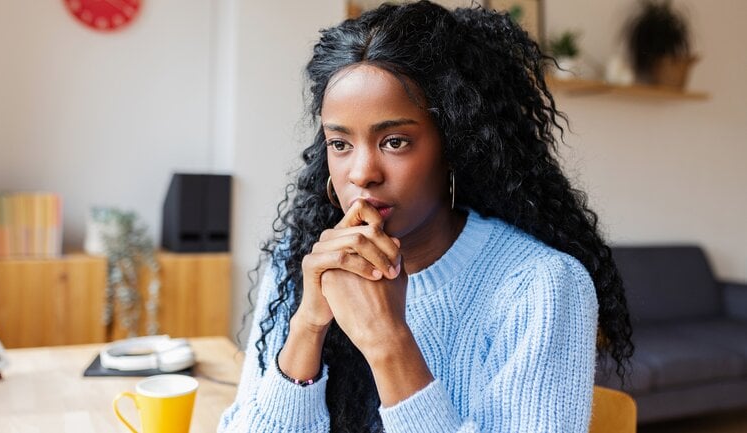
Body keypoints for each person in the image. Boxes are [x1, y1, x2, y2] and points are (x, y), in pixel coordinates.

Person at [218, 1, 633, 432]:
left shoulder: (541, 287)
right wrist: (307, 325)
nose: (361, 173)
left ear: (455, 145)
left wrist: (388, 342)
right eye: (340, 144)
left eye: (395, 141)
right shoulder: (303, 261)